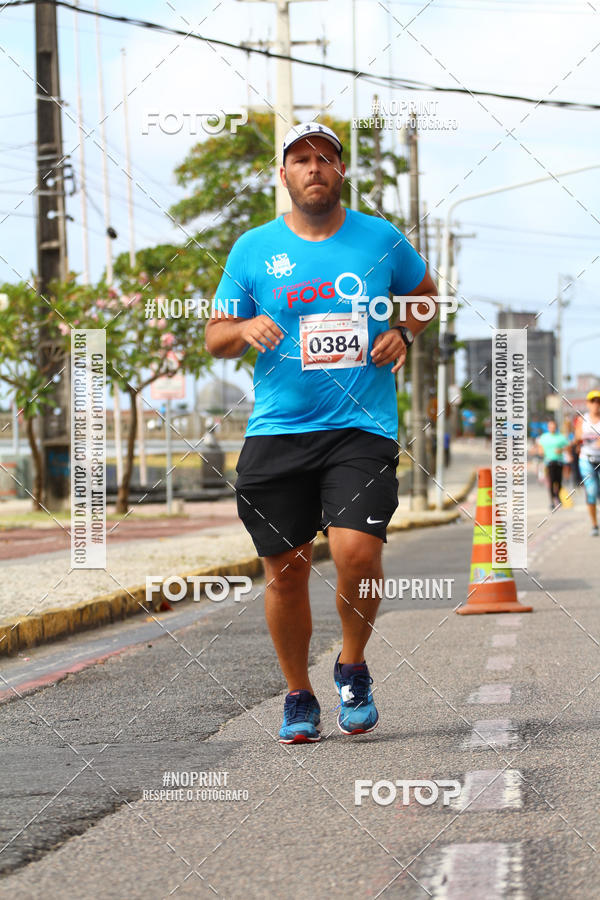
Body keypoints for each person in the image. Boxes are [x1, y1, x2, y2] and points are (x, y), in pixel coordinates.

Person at [206, 122, 437, 743]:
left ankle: (352, 665)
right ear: (283, 174)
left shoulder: (380, 239)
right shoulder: (253, 248)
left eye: (325, 158)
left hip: (360, 426)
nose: (314, 168)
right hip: (278, 430)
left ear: (341, 172)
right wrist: (242, 329)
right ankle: (298, 694)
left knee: (358, 552)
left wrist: (404, 332)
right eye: (301, 159)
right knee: (286, 570)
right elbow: (215, 335)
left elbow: (425, 295)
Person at [574, 390, 600, 536]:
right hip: (586, 460)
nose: (596, 404)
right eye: (593, 401)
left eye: (598, 401)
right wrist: (578, 440)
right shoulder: (582, 420)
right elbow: (576, 438)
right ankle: (594, 525)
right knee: (591, 491)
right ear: (588, 404)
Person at [536, 418, 569, 511]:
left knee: (559, 482)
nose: (552, 428)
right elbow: (540, 447)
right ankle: (551, 501)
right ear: (548, 428)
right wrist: (540, 452)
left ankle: (557, 496)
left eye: (553, 426)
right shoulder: (544, 437)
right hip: (549, 462)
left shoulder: (561, 437)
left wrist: (561, 450)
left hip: (559, 461)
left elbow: (568, 446)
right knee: (551, 482)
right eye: (550, 427)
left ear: (556, 427)